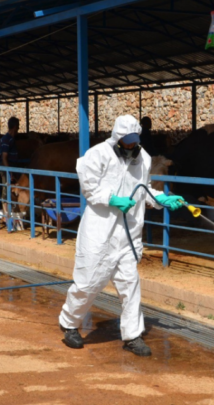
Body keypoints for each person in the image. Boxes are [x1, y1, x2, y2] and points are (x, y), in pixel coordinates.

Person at [59, 115, 185, 356]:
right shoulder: (98, 155)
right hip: (100, 232)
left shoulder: (144, 159)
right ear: (116, 138)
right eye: (126, 142)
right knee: (87, 283)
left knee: (130, 285)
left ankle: (132, 335)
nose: (130, 146)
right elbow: (89, 188)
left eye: (134, 141)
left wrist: (161, 199)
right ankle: (69, 323)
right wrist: (112, 199)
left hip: (128, 235)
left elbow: (144, 191)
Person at [0, 117, 20, 183]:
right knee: (7, 188)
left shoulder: (11, 139)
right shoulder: (6, 139)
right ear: (15, 127)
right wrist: (9, 171)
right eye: (18, 126)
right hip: (8, 166)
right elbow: (4, 157)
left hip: (12, 166)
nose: (18, 128)